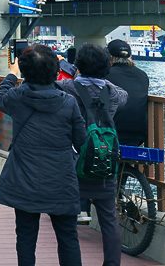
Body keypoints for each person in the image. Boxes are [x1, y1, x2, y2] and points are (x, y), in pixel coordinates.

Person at [0, 45, 86, 266]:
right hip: (61, 178)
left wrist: (11, 74)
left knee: (25, 236)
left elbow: (0, 98)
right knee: (68, 237)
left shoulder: (18, 97)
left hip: (25, 177)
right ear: (55, 71)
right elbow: (81, 142)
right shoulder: (68, 102)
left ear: (25, 72)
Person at [56, 43, 127, 265]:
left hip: (73, 162)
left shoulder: (66, 89)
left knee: (68, 222)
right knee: (109, 219)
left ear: (78, 65)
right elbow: (123, 95)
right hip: (104, 159)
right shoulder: (115, 93)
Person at [106, 39, 149, 147]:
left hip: (110, 134)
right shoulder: (143, 75)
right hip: (138, 136)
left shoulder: (105, 75)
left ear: (109, 56)